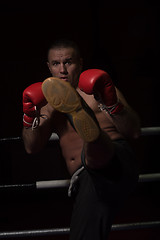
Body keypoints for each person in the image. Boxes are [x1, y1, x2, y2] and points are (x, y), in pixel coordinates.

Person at [22, 39, 141, 240]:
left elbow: (134, 131)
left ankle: (90, 130)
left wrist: (112, 105)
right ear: (48, 67)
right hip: (88, 179)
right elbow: (31, 147)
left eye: (68, 62)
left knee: (94, 151)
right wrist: (29, 117)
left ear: (81, 63)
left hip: (117, 161)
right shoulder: (46, 105)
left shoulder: (99, 90)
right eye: (56, 64)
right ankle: (88, 129)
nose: (63, 70)